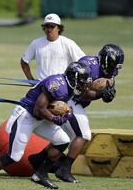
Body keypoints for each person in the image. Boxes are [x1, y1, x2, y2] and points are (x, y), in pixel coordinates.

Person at [0, 62, 93, 190]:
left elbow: (50, 107)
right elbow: (38, 109)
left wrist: (65, 114)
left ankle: (40, 174)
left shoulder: (68, 87)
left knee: (63, 140)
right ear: (73, 78)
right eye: (82, 82)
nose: (84, 85)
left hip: (39, 118)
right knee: (14, 156)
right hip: (26, 115)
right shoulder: (57, 85)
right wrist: (55, 119)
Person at [29, 44, 125, 183]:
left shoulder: (108, 73)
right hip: (70, 100)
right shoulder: (88, 66)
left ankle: (38, 158)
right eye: (114, 64)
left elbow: (104, 91)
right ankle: (64, 169)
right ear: (106, 61)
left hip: (77, 102)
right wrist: (99, 93)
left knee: (69, 136)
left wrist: (107, 94)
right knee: (84, 134)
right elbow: (80, 92)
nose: (116, 69)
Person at [21, 13, 86, 81]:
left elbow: (83, 62)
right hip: (42, 85)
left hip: (61, 85)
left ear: (58, 28)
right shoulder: (35, 43)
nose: (49, 29)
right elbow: (24, 61)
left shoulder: (68, 43)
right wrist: (31, 80)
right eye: (47, 26)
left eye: (52, 26)